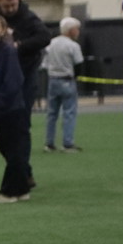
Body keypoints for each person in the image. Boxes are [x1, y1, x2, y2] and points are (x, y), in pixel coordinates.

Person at [0, 13, 32, 203]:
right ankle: (22, 189)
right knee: (6, 150)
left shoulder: (8, 51)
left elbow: (13, 82)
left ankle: (9, 192)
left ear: (3, 30)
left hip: (11, 110)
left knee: (13, 152)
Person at [42, 17, 84, 153]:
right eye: (77, 29)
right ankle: (67, 143)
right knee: (69, 113)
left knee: (51, 113)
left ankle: (49, 143)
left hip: (52, 81)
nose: (78, 32)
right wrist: (76, 77)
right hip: (67, 81)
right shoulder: (73, 46)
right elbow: (79, 64)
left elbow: (44, 64)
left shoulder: (50, 44)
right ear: (71, 30)